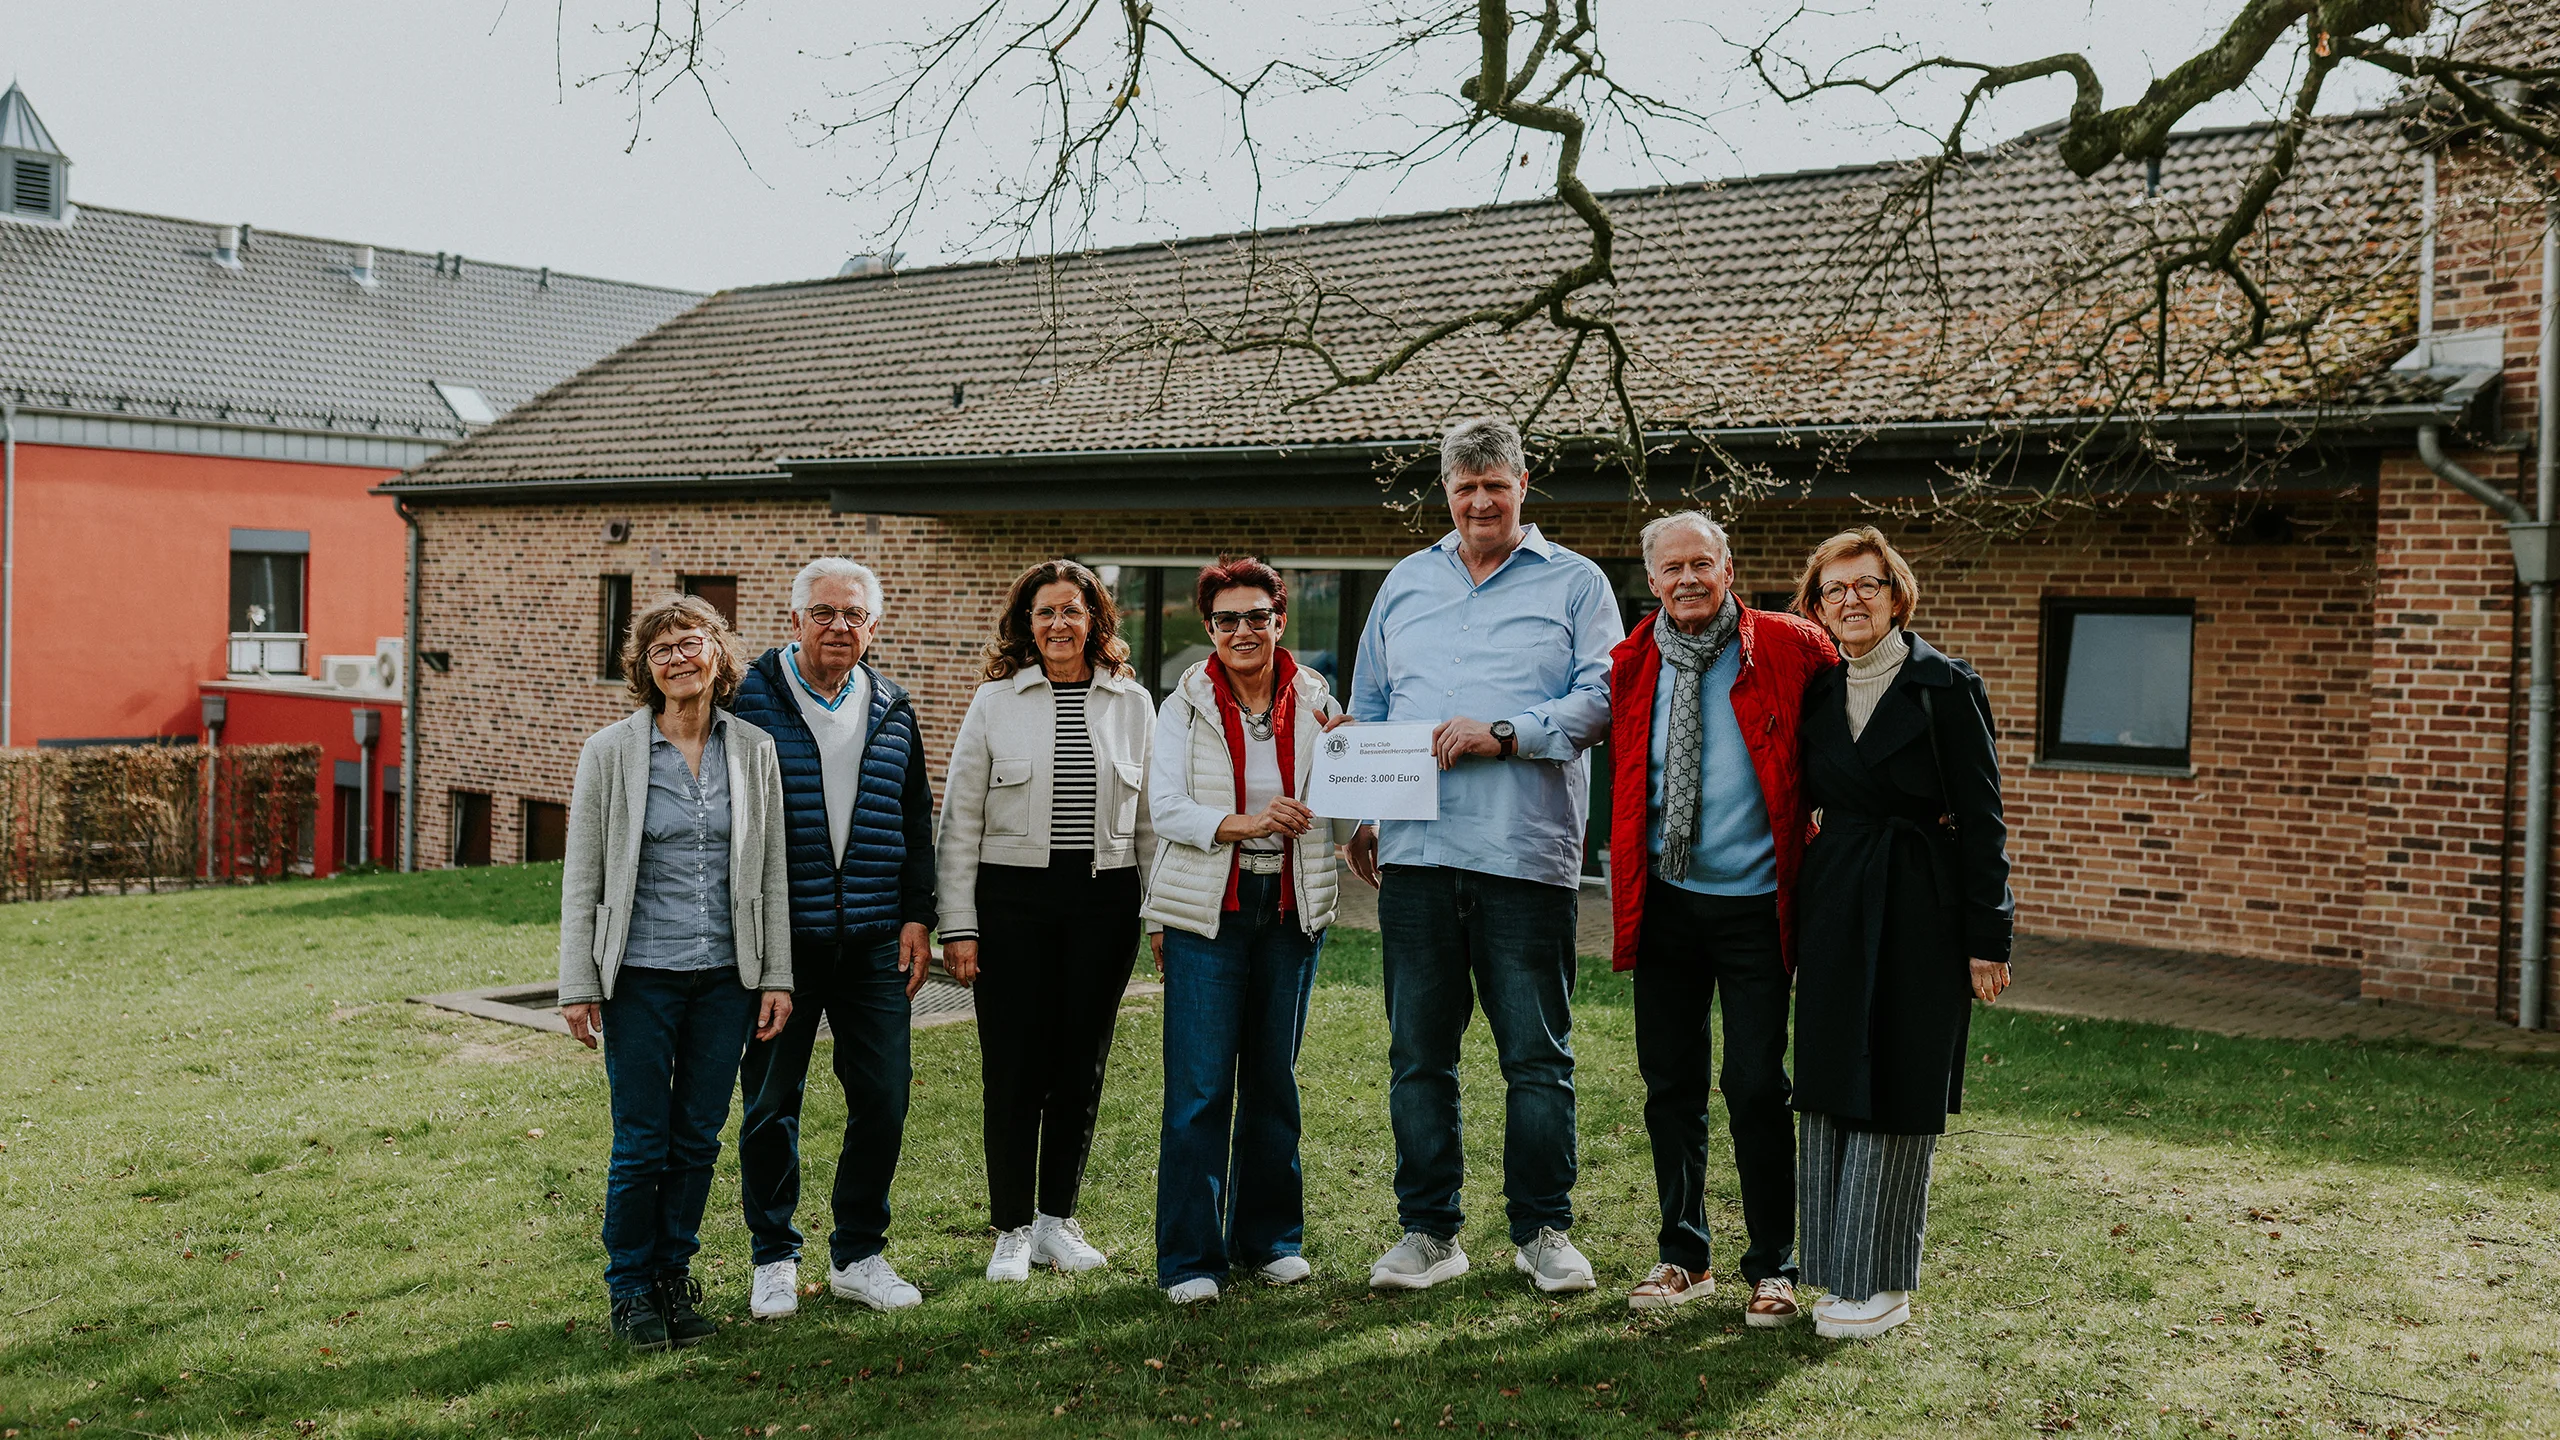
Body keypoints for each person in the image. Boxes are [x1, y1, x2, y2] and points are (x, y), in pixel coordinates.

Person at [1341, 416, 1624, 1294]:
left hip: (1523, 857)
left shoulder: (1577, 584)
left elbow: (1603, 698)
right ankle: (1430, 1232)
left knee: (1535, 1057)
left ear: (1522, 486)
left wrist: (1505, 734)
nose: (1478, 502)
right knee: (1419, 1055)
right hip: (1418, 856)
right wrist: (1358, 806)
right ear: (1447, 492)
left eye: (1493, 485)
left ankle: (1543, 1231)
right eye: (1463, 488)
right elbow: (1371, 702)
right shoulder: (1404, 582)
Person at [1604, 512, 1834, 1321]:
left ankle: (1774, 1263)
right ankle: (1683, 1254)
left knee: (1754, 1086)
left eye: (1702, 563)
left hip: (1755, 906)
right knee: (1669, 1085)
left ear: (1729, 569)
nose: (1688, 580)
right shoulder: (1631, 661)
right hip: (1664, 904)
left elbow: (1847, 730)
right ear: (1653, 580)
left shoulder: (1791, 645)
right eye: (1672, 569)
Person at [1788, 526, 2014, 1340]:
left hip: (1922, 902)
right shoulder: (1816, 691)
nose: (1851, 599)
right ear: (1816, 606)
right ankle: (1832, 1270)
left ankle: (1883, 1281)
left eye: (1868, 585)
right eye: (1835, 589)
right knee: (1827, 1074)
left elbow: (1983, 820)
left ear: (1896, 595)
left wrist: (1990, 936)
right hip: (1836, 898)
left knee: (1900, 1081)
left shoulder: (1943, 687)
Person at [557, 593, 795, 1351]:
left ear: (717, 656)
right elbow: (583, 877)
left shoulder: (754, 749)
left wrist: (777, 975)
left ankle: (673, 1277)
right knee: (641, 1140)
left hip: (727, 978)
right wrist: (577, 984)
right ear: (645, 669)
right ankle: (629, 1289)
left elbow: (773, 874)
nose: (677, 659)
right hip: (640, 980)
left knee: (697, 1138)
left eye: (690, 644)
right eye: (661, 651)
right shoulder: (610, 753)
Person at [1144, 557, 1355, 1306]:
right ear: (1210, 629)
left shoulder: (1316, 695)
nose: (1243, 630)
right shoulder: (1185, 704)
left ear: (1279, 621)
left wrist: (1352, 755)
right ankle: (1191, 1259)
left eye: (1257, 616)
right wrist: (1250, 823)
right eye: (1227, 619)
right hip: (1212, 914)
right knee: (1200, 1089)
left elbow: (1338, 793)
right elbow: (1164, 809)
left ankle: (1269, 1241)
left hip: (1291, 911)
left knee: (1273, 1082)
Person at [937, 560, 1156, 1282]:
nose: (1059, 624)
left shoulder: (1133, 704)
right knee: (1013, 1065)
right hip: (1011, 903)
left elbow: (1149, 823)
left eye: (1072, 610)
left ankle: (1058, 1220)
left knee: (1080, 1066)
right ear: (1025, 625)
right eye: (1044, 613)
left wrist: (1156, 916)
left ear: (1096, 620)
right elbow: (959, 820)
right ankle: (1011, 1226)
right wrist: (958, 925)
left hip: (1104, 903)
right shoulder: (994, 702)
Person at [731, 558, 937, 1318]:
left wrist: (919, 913)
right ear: (794, 620)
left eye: (854, 615)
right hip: (781, 946)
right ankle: (773, 1257)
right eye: (824, 612)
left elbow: (916, 816)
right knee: (770, 1102)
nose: (839, 627)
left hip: (875, 943)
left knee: (884, 1096)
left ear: (874, 627)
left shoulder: (892, 704)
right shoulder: (744, 698)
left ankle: (858, 1252)